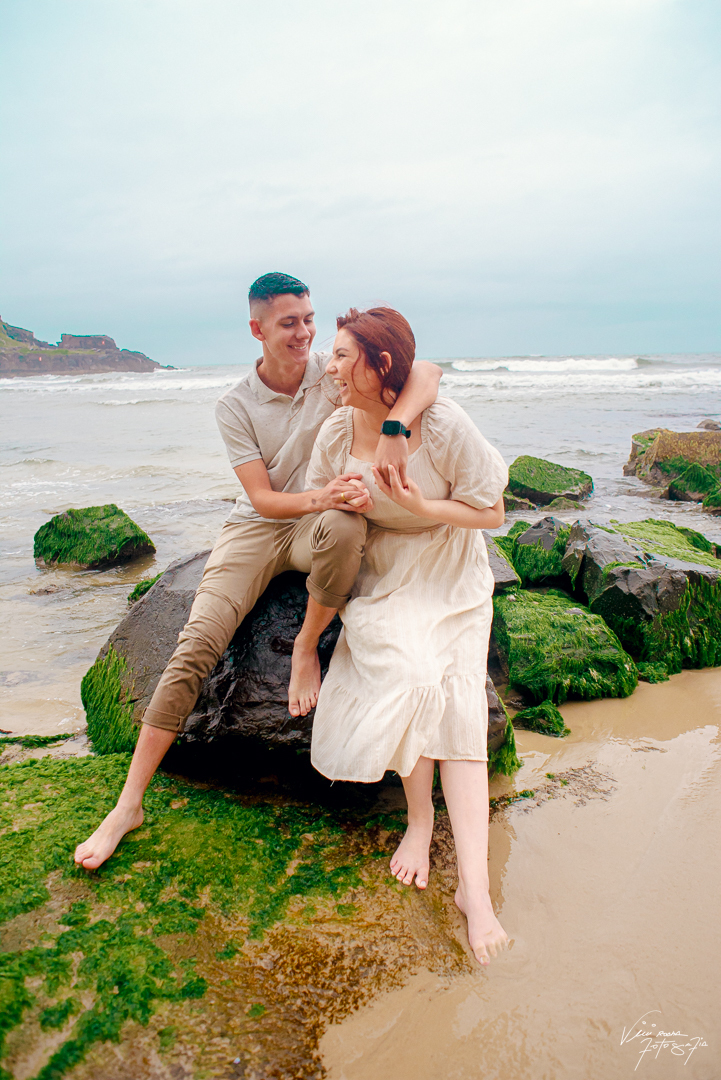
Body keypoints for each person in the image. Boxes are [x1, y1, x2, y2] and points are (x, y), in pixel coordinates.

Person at [74, 274, 441, 871]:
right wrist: (323, 495)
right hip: (258, 528)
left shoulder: (333, 371)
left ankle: (304, 648)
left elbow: (425, 371)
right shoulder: (235, 405)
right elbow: (263, 499)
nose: (304, 333)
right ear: (257, 329)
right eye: (289, 323)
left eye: (309, 319)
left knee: (347, 527)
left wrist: (396, 428)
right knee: (197, 644)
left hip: (317, 526)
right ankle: (128, 804)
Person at [305, 306, 509, 965]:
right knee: (411, 674)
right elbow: (318, 498)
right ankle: (420, 822)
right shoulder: (338, 429)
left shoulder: (441, 425)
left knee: (458, 698)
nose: (329, 367)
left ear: (380, 364)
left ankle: (475, 890)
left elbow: (493, 512)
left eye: (341, 356)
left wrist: (420, 504)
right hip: (387, 568)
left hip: (449, 564)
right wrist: (344, 499)